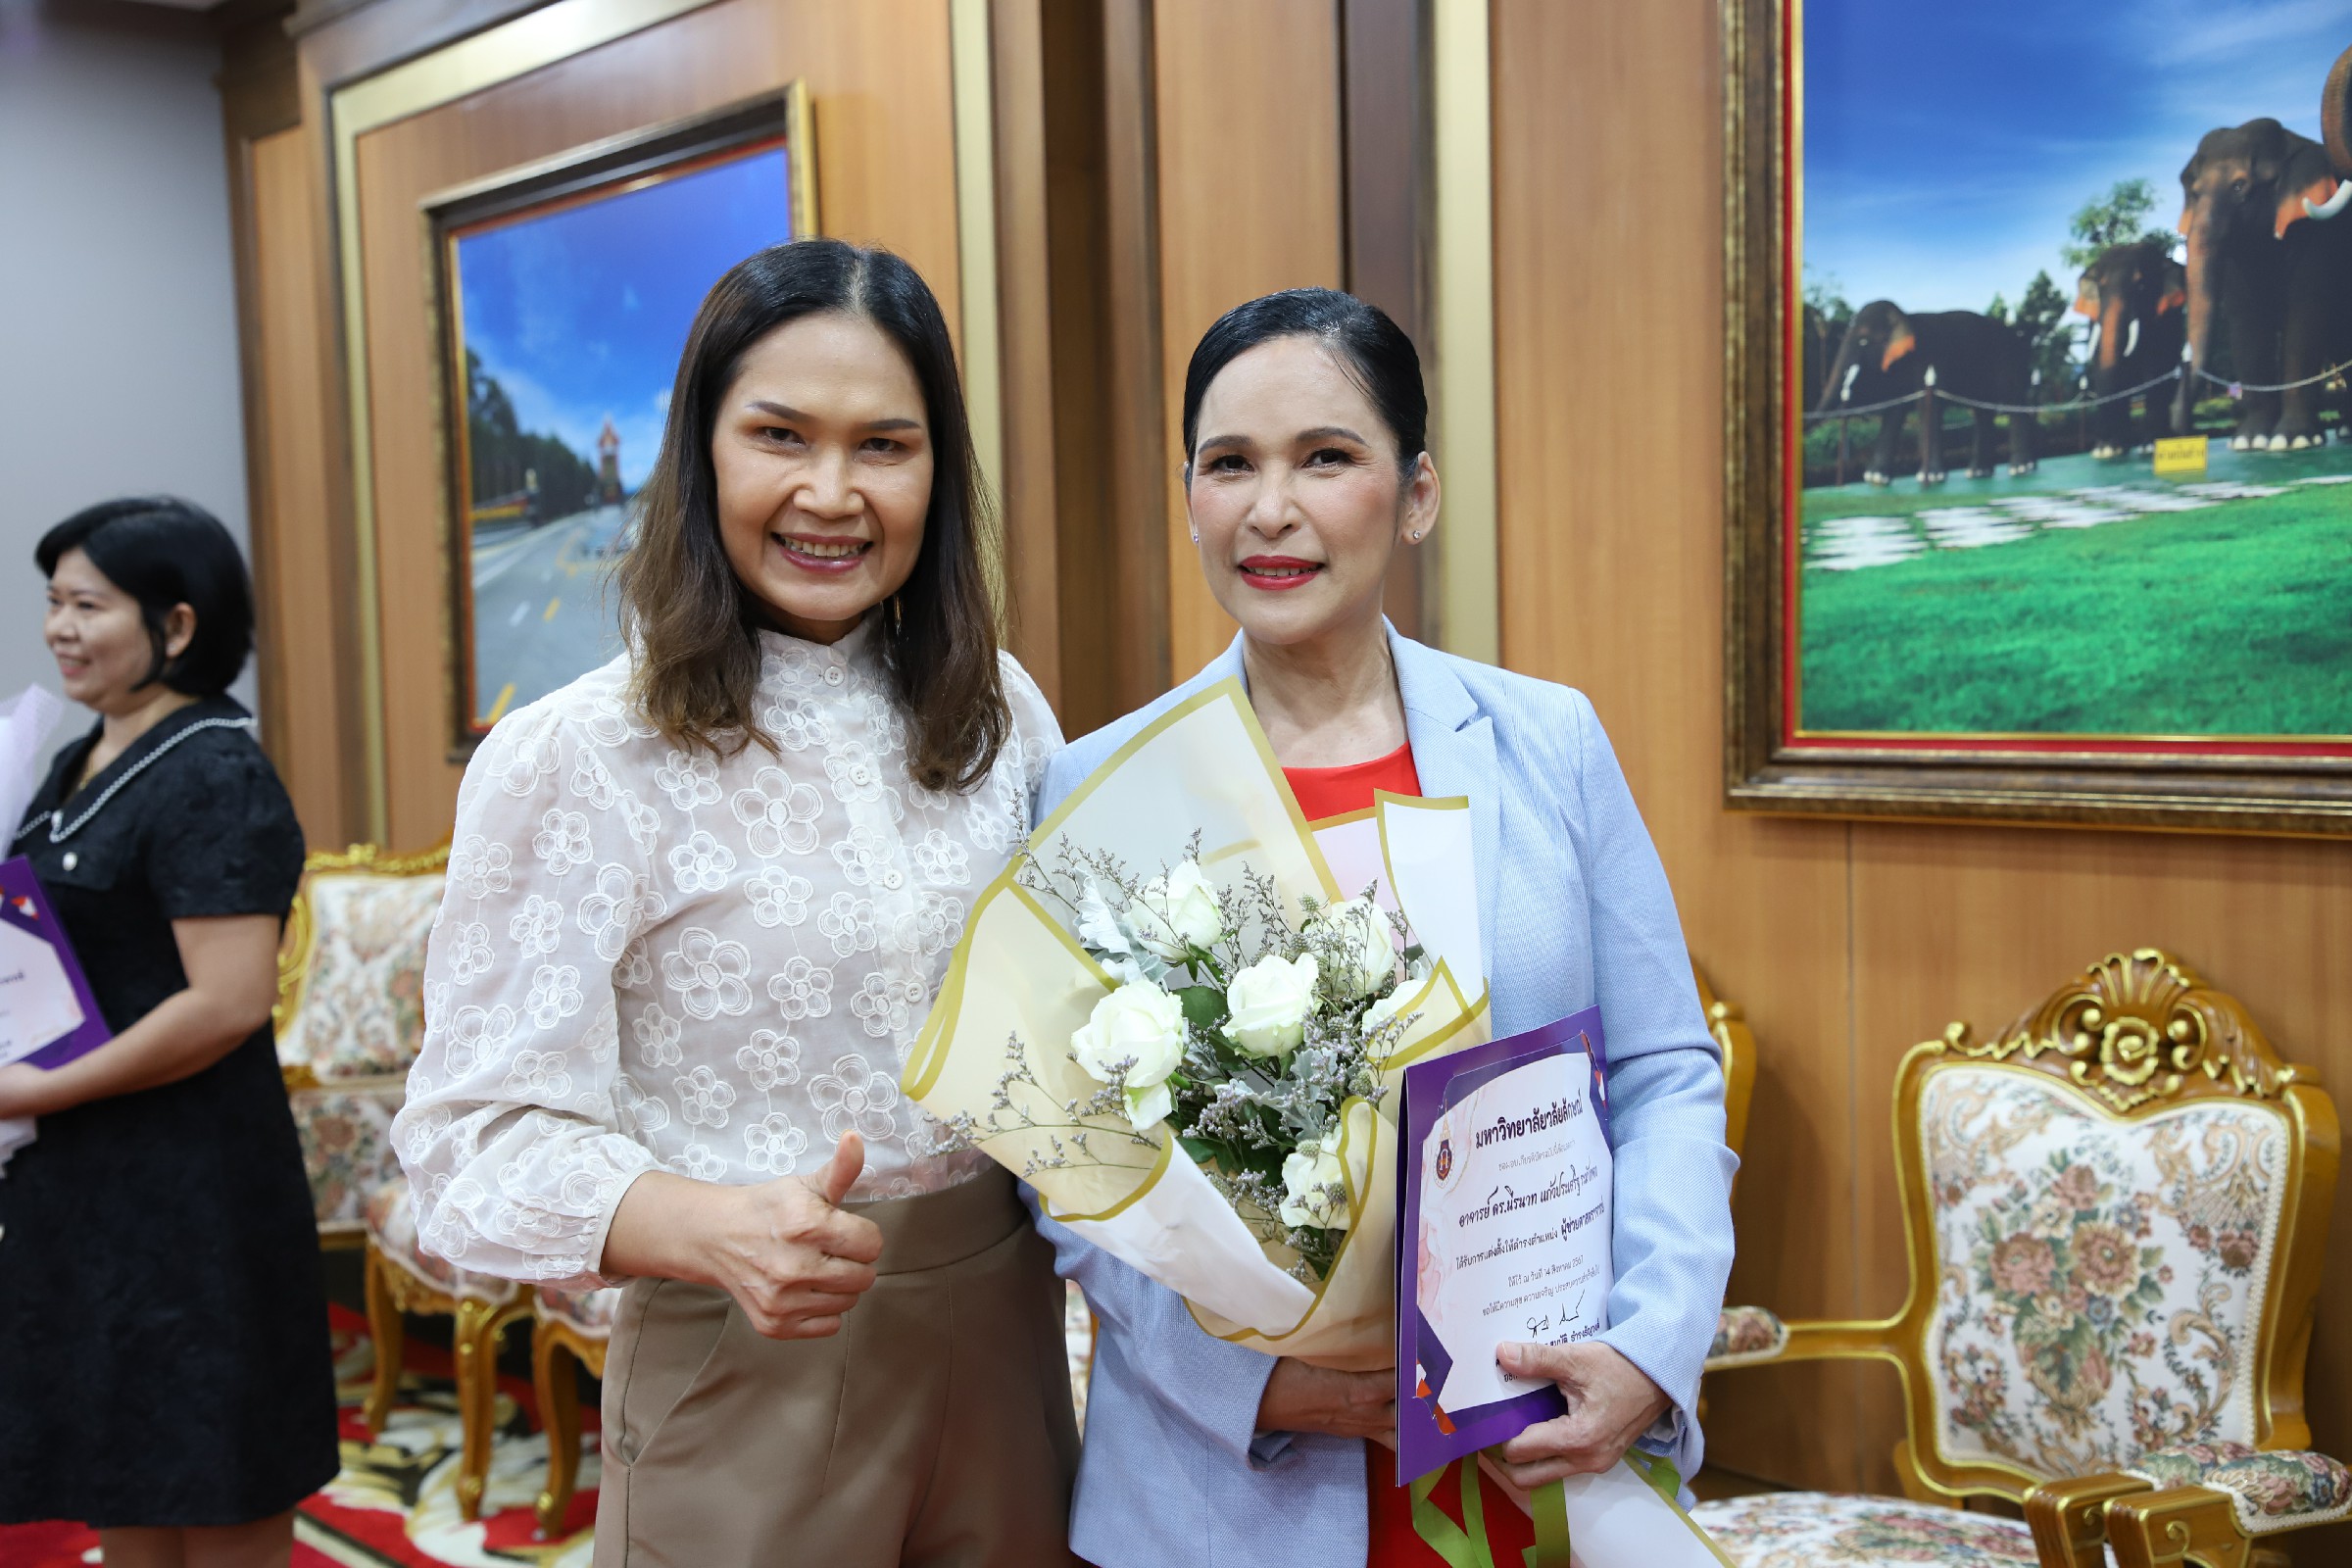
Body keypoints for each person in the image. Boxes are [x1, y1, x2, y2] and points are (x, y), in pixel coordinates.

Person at [392, 238, 1078, 1568]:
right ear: (700, 453)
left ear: (938, 471)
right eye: (780, 435)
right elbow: (467, 1144)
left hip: (1011, 1329)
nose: (832, 492)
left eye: (884, 446)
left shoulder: (1002, 709)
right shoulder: (578, 754)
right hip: (750, 1351)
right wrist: (706, 1228)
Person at [1034, 289, 1738, 1567]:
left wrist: (1650, 1344)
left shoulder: (1549, 741)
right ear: (1187, 497)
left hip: (1532, 1439)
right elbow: (1069, 1165)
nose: (1270, 509)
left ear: (1415, 494)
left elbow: (1662, 1071)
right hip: (1229, 1487)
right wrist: (1253, 1379)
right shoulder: (1100, 790)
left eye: (1325, 457)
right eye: (1229, 464)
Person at [0, 498, 337, 1568]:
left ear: (178, 625)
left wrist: (32, 1090)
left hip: (194, 1190)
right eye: (54, 602)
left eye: (87, 605)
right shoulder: (78, 759)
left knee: (220, 1462)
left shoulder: (213, 771)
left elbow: (226, 1003)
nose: (58, 628)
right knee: (120, 1455)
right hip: (85, 1182)